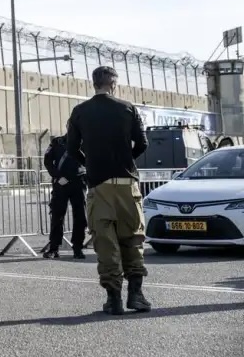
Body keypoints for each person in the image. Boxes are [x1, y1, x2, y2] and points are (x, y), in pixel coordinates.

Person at [66, 65, 151, 315]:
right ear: (114, 83)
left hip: (99, 185)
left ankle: (113, 299)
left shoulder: (80, 112)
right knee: (133, 239)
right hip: (127, 184)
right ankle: (136, 295)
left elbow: (72, 149)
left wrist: (90, 163)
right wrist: (127, 161)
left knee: (106, 243)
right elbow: (143, 143)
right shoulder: (128, 108)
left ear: (93, 84)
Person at [42, 126, 88, 259]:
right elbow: (47, 160)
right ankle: (54, 248)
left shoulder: (84, 142)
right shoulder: (57, 142)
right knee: (57, 215)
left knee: (80, 217)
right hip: (61, 182)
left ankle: (78, 248)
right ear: (68, 127)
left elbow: (89, 161)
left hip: (79, 182)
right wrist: (57, 176)